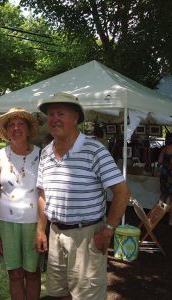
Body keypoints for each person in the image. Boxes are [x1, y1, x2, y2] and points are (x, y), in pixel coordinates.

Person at [34, 92, 130, 300]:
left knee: (86, 296)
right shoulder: (46, 152)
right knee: (58, 293)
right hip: (56, 232)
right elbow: (42, 193)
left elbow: (122, 192)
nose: (54, 119)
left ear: (76, 117)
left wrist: (108, 230)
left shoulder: (94, 149)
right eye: (51, 114)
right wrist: (41, 230)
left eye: (61, 113)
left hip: (86, 235)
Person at [0, 107, 42, 300]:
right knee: (15, 274)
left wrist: (44, 228)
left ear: (28, 129)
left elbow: (46, 194)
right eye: (11, 125)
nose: (16, 128)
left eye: (21, 124)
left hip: (34, 224)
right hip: (6, 224)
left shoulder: (41, 156)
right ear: (7, 131)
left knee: (33, 273)